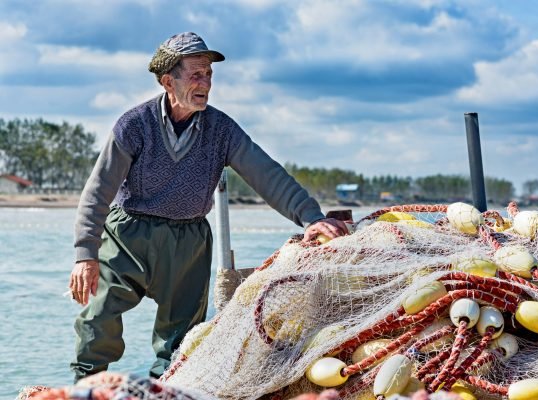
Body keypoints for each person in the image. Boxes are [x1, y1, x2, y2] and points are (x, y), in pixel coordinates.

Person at [69, 32, 348, 381]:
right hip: (129, 235)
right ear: (168, 80)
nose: (205, 83)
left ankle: (163, 390)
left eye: (209, 75)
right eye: (196, 74)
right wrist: (85, 254)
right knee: (99, 317)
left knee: (181, 340)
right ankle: (84, 387)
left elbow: (266, 174)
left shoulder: (222, 130)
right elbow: (97, 192)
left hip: (189, 241)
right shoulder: (134, 125)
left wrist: (310, 217)